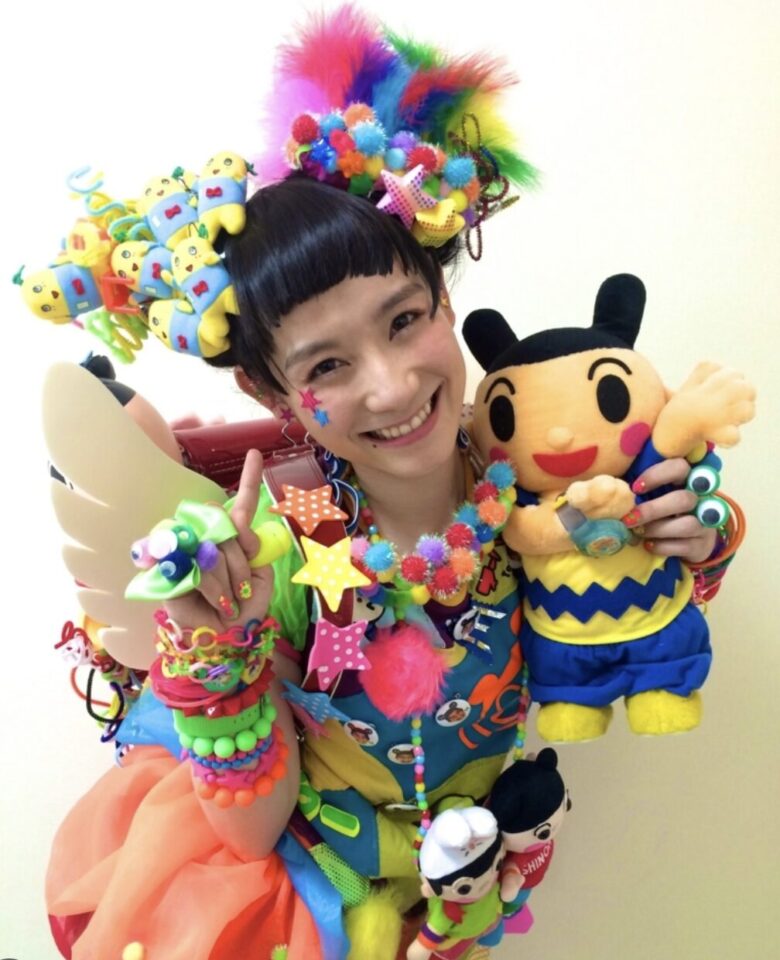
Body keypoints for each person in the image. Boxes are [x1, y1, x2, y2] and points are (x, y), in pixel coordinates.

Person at [35, 7, 735, 960]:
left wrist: (691, 532)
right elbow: (249, 833)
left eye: (405, 320)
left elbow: (636, 596)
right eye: (326, 366)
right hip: (324, 902)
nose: (393, 386)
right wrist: (221, 652)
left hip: (473, 882)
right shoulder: (285, 548)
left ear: (445, 299)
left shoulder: (531, 471)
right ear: (268, 391)